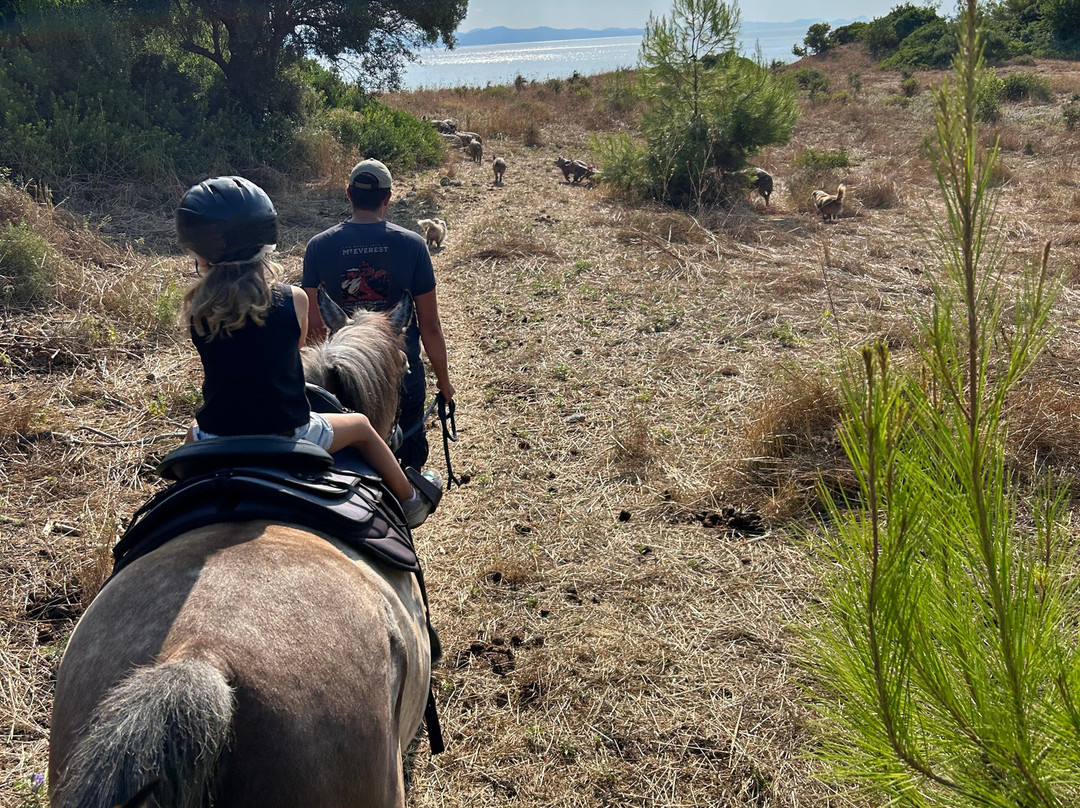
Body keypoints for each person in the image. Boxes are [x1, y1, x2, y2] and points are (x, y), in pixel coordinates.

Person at [176, 175, 435, 528]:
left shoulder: (196, 310)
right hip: (291, 432)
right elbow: (294, 350)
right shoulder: (292, 299)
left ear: (198, 256)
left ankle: (181, 507)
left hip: (216, 434)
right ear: (266, 245)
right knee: (360, 425)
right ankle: (410, 500)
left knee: (191, 436)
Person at [302, 159, 454, 470]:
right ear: (388, 198)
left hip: (337, 382)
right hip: (398, 378)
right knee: (409, 460)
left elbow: (313, 327)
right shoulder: (412, 245)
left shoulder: (319, 246)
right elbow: (430, 326)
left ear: (348, 195)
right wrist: (444, 382)